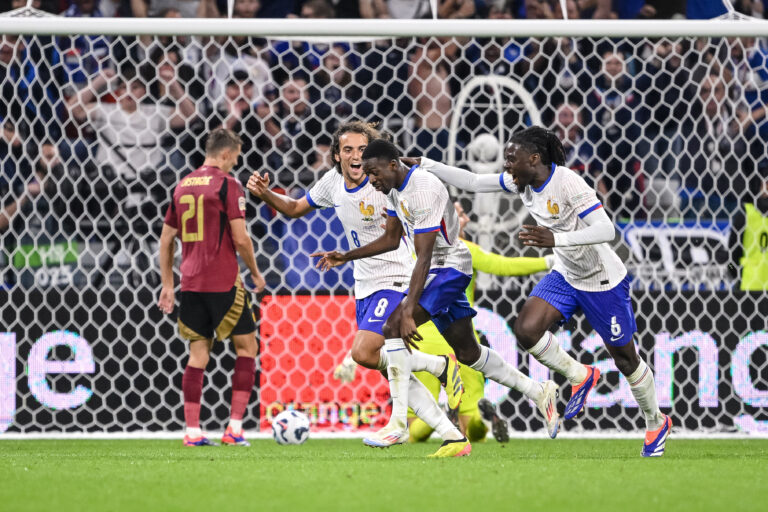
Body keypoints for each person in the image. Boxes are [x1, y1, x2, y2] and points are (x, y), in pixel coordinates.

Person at [421, 126, 672, 457]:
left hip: (603, 279)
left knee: (625, 358)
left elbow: (606, 229)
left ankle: (655, 421)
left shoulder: (567, 182)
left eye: (512, 159)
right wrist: (426, 164)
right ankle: (579, 374)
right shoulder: (521, 182)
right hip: (566, 273)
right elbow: (472, 181)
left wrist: (557, 240)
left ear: (534, 159)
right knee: (527, 329)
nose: (507, 167)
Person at [313, 139, 561, 456]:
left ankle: (398, 423)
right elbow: (390, 239)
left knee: (390, 330)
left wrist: (407, 309)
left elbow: (425, 255)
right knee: (469, 353)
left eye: (374, 173)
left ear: (392, 165)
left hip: (451, 269)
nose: (371, 181)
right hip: (438, 271)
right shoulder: (391, 189)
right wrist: (346, 256)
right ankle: (538, 390)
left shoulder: (424, 188)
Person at [246, 121, 467, 458]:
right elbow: (293, 208)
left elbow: (393, 237)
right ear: (336, 155)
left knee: (364, 352)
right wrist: (265, 194)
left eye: (362, 150)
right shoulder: (332, 183)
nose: (354, 156)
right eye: (347, 149)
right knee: (390, 365)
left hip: (395, 276)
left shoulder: (384, 184)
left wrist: (346, 256)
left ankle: (415, 402)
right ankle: (451, 431)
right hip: (363, 285)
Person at [334, 200, 555, 443]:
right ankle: (476, 420)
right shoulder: (464, 250)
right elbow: (502, 266)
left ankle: (437, 421)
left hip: (415, 340)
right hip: (458, 337)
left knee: (414, 428)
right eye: (460, 214)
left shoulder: (410, 253)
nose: (466, 219)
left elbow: (382, 316)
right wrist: (548, 262)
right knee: (473, 426)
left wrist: (349, 359)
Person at [157, 128, 267, 447]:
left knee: (198, 354)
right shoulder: (227, 185)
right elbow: (241, 238)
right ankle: (233, 429)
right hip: (223, 282)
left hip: (190, 283)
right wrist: (256, 274)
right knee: (247, 348)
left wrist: (168, 284)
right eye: (235, 157)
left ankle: (192, 432)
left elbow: (166, 240)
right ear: (225, 154)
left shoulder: (182, 186)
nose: (236, 162)